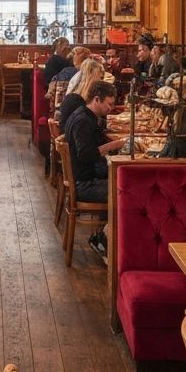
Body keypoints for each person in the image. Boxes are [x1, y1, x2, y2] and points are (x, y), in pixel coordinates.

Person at [63, 80, 126, 255]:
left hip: (85, 177)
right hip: (84, 184)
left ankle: (108, 238)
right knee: (126, 193)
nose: (111, 108)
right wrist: (113, 146)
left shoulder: (84, 115)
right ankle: (103, 239)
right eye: (109, 104)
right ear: (96, 99)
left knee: (122, 184)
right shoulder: (82, 121)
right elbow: (86, 155)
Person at [57, 59, 105, 131]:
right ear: (91, 79)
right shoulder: (75, 101)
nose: (102, 82)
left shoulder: (80, 97)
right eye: (100, 78)